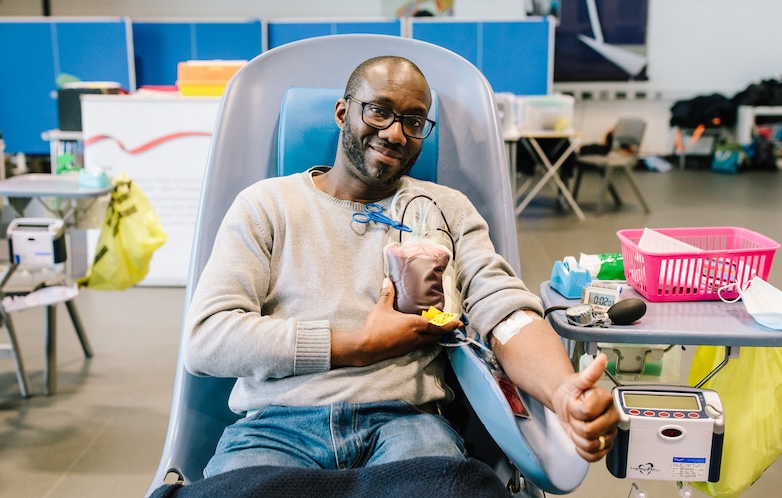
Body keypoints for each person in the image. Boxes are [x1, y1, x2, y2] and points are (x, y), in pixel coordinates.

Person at [183, 55, 619, 479]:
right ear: (342, 112)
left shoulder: (445, 209)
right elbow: (208, 339)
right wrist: (358, 344)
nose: (394, 134)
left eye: (413, 122)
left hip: (406, 423)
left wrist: (562, 392)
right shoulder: (267, 206)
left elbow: (505, 314)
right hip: (275, 429)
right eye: (379, 112)